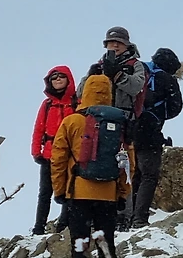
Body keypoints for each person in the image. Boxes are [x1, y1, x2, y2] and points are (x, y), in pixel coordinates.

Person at [53, 76, 133, 258]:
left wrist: (59, 190)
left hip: (78, 193)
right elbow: (129, 162)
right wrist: (122, 193)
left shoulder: (72, 121)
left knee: (80, 245)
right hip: (108, 193)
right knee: (106, 245)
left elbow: (58, 160)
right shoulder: (120, 123)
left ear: (85, 92)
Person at [128, 48, 183, 229]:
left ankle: (126, 217)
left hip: (129, 128)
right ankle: (139, 218)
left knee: (133, 174)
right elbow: (176, 107)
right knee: (148, 175)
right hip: (150, 133)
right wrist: (159, 114)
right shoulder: (168, 80)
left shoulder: (140, 70)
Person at [31, 66, 77, 235]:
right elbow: (38, 129)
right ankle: (39, 227)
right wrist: (36, 151)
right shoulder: (47, 104)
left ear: (68, 79)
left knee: (69, 190)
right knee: (45, 192)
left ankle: (63, 225)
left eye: (61, 76)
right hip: (49, 155)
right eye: (54, 77)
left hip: (70, 154)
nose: (57, 79)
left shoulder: (76, 102)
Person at [78, 26, 148, 121]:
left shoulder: (135, 64)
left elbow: (136, 88)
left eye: (120, 42)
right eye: (111, 42)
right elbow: (80, 93)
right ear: (106, 45)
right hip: (99, 116)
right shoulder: (99, 66)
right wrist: (90, 78)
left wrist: (117, 75)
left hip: (123, 117)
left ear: (127, 45)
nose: (115, 45)